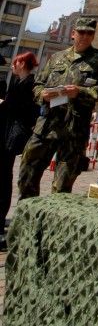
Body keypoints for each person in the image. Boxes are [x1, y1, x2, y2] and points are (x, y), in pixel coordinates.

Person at [18, 17, 98, 199]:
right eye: (81, 32)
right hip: (46, 126)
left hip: (74, 130)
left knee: (62, 188)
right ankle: (28, 217)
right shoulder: (56, 58)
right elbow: (38, 84)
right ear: (73, 33)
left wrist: (81, 92)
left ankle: (52, 222)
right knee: (27, 174)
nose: (85, 36)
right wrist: (42, 94)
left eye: (90, 33)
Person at [0, 52, 39, 250]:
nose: (13, 66)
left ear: (22, 63)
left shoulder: (29, 85)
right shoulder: (18, 83)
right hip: (8, 134)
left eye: (15, 63)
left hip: (12, 137)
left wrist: (4, 105)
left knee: (5, 178)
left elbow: (20, 110)